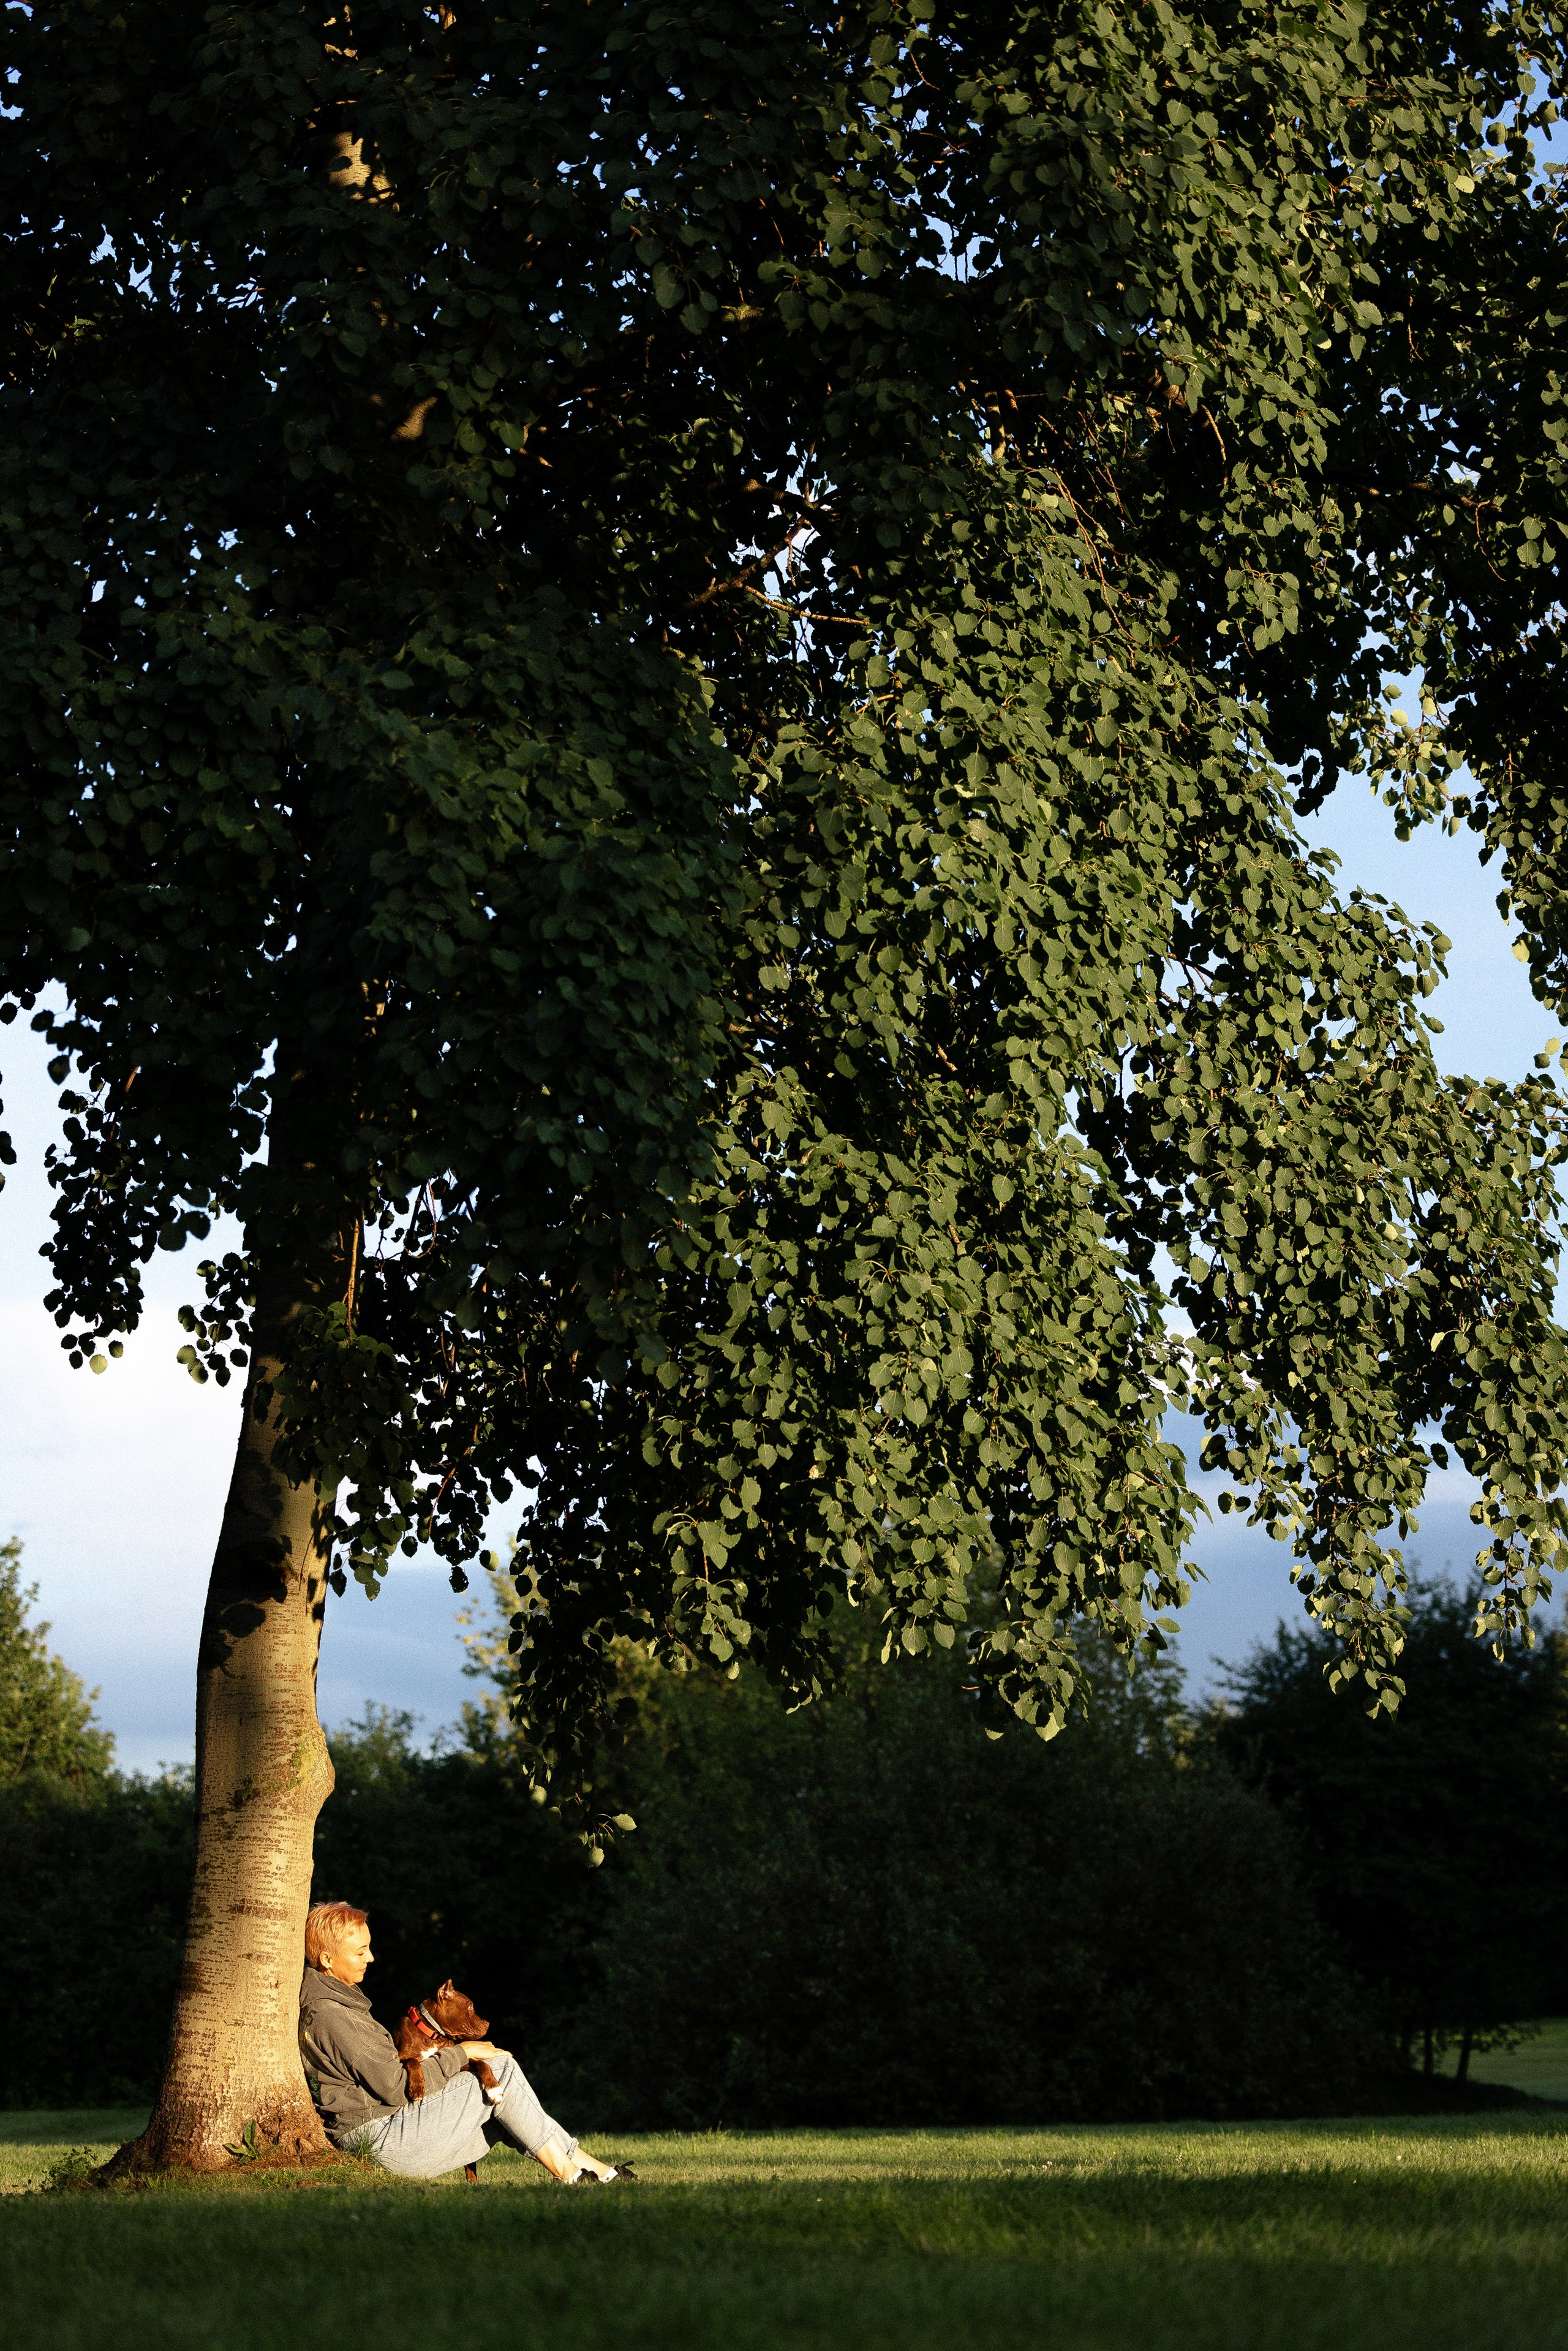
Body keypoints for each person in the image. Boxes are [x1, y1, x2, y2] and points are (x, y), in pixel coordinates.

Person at [298, 1898, 622, 2183]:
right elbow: (397, 2088)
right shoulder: (335, 2016)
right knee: (502, 2069)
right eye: (361, 1951)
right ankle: (572, 2176)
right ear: (327, 1960)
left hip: (380, 2131)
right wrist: (462, 2053)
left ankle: (598, 2173)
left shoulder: (336, 2004)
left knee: (501, 2100)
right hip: (379, 2140)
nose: (371, 1958)